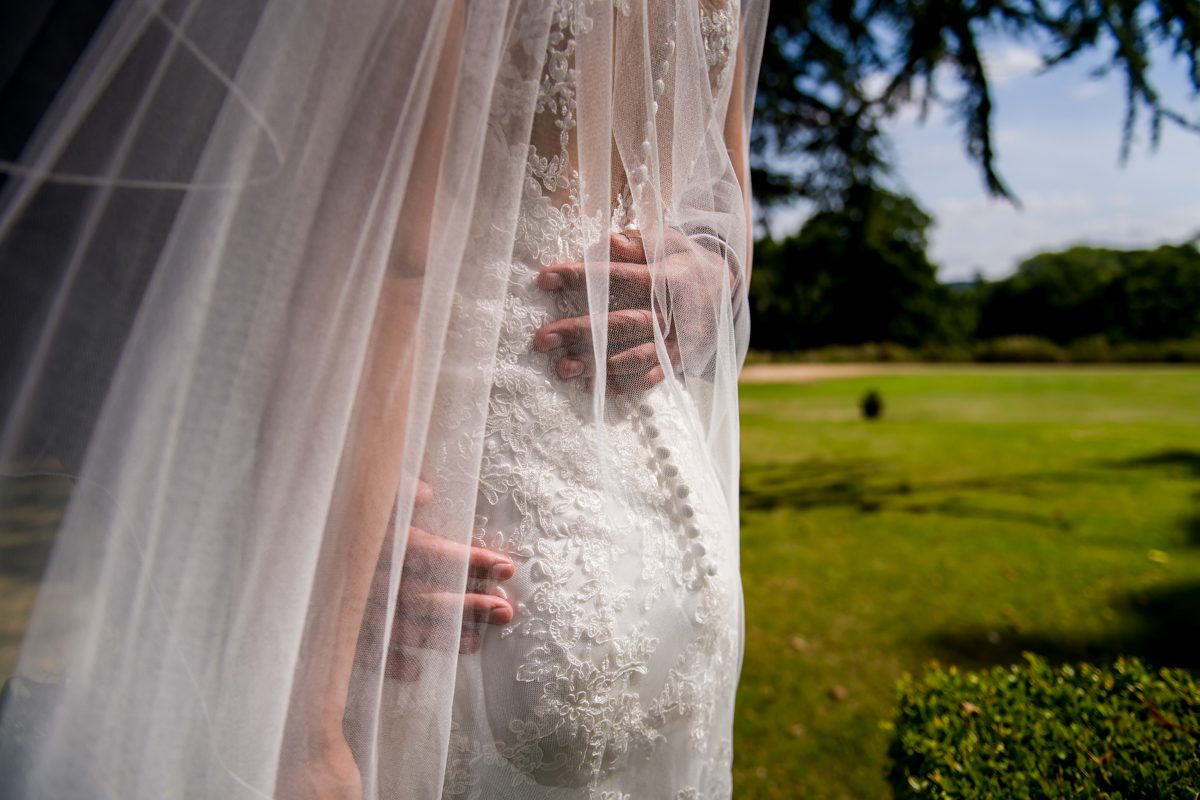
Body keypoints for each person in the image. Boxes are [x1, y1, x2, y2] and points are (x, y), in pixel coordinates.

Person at [0, 1, 766, 798]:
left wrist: (307, 713)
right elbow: (727, 200)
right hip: (675, 555)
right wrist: (714, 267)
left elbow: (391, 256)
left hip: (446, 521)